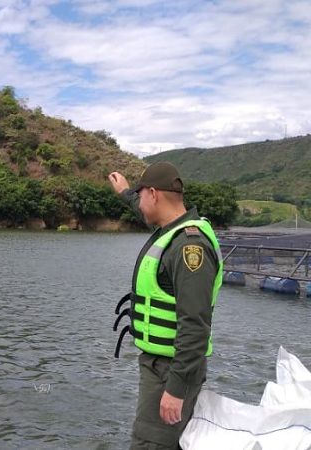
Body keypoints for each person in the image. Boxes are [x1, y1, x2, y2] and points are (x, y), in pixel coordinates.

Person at [108, 161, 223, 449]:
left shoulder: (188, 247)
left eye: (141, 195)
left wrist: (176, 388)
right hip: (161, 368)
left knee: (151, 443)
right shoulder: (172, 228)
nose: (140, 202)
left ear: (154, 195)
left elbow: (195, 324)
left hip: (170, 372)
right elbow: (143, 207)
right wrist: (125, 193)